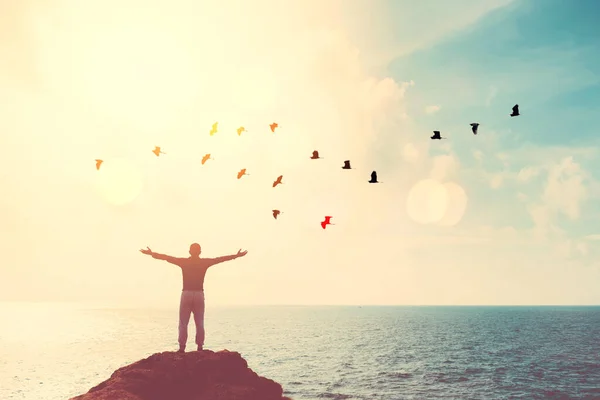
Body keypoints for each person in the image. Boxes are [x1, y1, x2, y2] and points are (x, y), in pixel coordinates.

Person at [139, 243, 248, 352]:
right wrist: (236, 256)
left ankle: (182, 347)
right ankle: (200, 347)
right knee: (199, 322)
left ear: (189, 252)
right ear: (200, 252)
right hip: (199, 294)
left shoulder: (184, 262)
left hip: (186, 293)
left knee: (183, 323)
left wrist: (151, 253)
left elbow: (167, 258)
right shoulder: (204, 263)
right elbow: (220, 259)